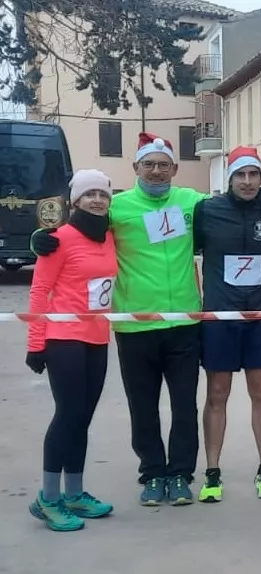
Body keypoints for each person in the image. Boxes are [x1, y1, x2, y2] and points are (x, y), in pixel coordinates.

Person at [33, 132, 205, 506]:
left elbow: (236, 213)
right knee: (142, 406)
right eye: (149, 165)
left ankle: (180, 474)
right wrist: (39, 238)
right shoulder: (118, 208)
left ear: (175, 169)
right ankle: (152, 473)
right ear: (136, 168)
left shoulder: (193, 201)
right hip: (135, 325)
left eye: (163, 165)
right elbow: (78, 228)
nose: (157, 172)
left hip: (184, 323)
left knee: (184, 406)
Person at [26, 170, 117, 531]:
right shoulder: (59, 239)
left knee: (83, 417)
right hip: (63, 337)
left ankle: (75, 493)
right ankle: (47, 499)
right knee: (68, 414)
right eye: (89, 194)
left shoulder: (110, 235)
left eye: (103, 194)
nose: (97, 200)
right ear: (75, 201)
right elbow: (38, 292)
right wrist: (36, 344)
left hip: (97, 336)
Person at [195, 147, 261, 502]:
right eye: (240, 175)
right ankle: (212, 474)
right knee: (217, 395)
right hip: (220, 317)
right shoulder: (207, 211)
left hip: (260, 316)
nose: (247, 182)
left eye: (253, 175)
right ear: (229, 179)